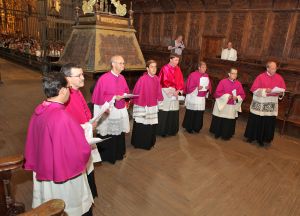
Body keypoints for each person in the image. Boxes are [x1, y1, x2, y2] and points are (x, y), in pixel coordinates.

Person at [23, 72, 93, 216]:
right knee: (68, 205)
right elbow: (77, 151)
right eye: (68, 88)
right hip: (62, 174)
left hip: (44, 167)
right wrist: (85, 141)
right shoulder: (61, 116)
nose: (70, 91)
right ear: (62, 91)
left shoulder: (40, 109)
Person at [61, 63, 100, 199]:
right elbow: (68, 124)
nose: (83, 78)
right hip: (76, 140)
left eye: (82, 74)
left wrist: (91, 121)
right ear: (67, 78)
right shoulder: (65, 96)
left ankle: (90, 194)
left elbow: (84, 112)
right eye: (79, 75)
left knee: (88, 168)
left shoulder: (77, 91)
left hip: (85, 135)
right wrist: (88, 125)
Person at [92, 55, 130, 164]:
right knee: (109, 132)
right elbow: (98, 97)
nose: (123, 65)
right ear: (113, 64)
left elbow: (126, 91)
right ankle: (108, 156)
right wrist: (113, 97)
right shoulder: (104, 78)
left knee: (119, 132)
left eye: (123, 63)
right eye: (120, 63)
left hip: (120, 108)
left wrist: (126, 97)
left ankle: (119, 153)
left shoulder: (122, 78)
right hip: (109, 110)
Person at [244, 61, 286, 147]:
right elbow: (254, 90)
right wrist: (265, 90)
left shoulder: (279, 78)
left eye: (275, 68)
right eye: (273, 68)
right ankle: (251, 137)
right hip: (260, 102)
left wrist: (281, 93)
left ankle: (264, 139)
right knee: (256, 120)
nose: (275, 70)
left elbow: (283, 90)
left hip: (271, 103)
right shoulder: (260, 77)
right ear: (267, 68)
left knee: (268, 121)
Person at [131, 60, 163, 150]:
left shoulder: (156, 78)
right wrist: (142, 103)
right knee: (142, 124)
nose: (154, 69)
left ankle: (149, 142)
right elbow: (137, 91)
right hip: (143, 106)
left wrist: (159, 99)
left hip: (152, 105)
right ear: (147, 68)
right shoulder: (142, 79)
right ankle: (139, 143)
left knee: (150, 125)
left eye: (155, 67)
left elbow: (158, 91)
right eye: (152, 67)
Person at [209, 68, 245, 140]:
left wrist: (237, 98)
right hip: (223, 104)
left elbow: (242, 95)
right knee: (220, 119)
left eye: (236, 74)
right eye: (233, 73)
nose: (234, 75)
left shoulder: (238, 84)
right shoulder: (223, 82)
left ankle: (226, 134)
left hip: (231, 106)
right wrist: (226, 96)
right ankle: (218, 133)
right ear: (229, 74)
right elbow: (217, 93)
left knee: (228, 121)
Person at [157, 54, 184, 136]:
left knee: (173, 112)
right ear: (170, 59)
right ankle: (162, 131)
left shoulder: (178, 69)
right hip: (166, 94)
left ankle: (172, 130)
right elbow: (163, 82)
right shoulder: (165, 68)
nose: (177, 62)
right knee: (165, 112)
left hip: (175, 94)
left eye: (178, 60)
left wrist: (178, 92)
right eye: (175, 60)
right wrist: (173, 92)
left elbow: (181, 82)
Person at [182, 61, 212, 133]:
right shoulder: (193, 75)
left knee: (199, 113)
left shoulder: (206, 76)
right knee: (192, 112)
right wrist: (196, 88)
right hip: (194, 97)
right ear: (199, 68)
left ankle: (197, 127)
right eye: (203, 67)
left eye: (205, 67)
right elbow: (189, 87)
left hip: (201, 98)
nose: (205, 69)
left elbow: (209, 86)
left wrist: (208, 88)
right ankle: (189, 127)